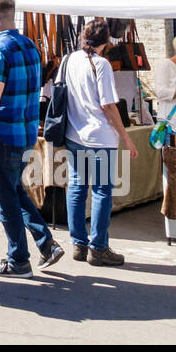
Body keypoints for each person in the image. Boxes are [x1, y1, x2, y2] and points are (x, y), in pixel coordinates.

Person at [0, 0, 64, 278]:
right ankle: (47, 243)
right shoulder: (29, 45)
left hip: (3, 134)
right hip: (25, 131)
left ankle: (18, 260)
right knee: (13, 189)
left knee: (6, 198)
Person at [63, 18, 137, 266]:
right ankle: (99, 247)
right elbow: (108, 105)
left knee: (76, 187)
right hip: (100, 136)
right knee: (101, 190)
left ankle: (78, 243)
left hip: (75, 133)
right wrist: (125, 136)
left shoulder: (71, 59)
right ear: (106, 42)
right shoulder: (101, 64)